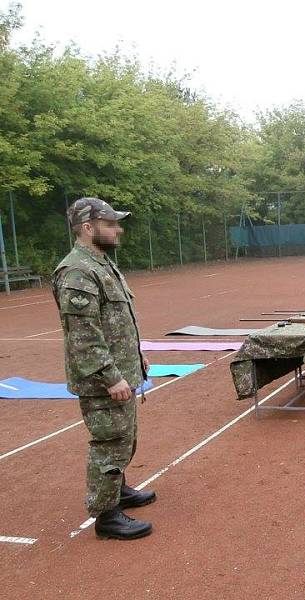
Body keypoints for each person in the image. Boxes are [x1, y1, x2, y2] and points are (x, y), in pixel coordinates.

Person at [53, 197, 155, 540]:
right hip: (102, 380)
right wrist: (110, 376)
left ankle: (119, 490)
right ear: (87, 228)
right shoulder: (77, 271)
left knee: (125, 437)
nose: (118, 229)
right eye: (110, 224)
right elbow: (84, 337)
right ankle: (107, 516)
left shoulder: (101, 264)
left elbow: (116, 321)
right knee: (110, 442)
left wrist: (136, 357)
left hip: (121, 369)